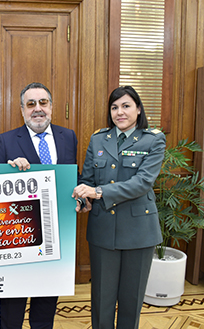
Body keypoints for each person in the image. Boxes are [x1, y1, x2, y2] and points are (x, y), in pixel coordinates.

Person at [72, 86, 166, 329]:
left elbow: (142, 182)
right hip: (103, 230)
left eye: (126, 106)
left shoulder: (153, 139)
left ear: (138, 109)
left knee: (131, 300)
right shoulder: (98, 139)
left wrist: (99, 192)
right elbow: (88, 180)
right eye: (114, 107)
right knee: (101, 300)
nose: (119, 112)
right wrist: (84, 199)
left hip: (139, 232)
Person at [0, 82, 79, 329]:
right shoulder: (6, 140)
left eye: (43, 103)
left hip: (56, 234)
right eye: (31, 104)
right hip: (16, 236)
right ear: (22, 110)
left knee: (46, 301)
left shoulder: (68, 136)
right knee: (12, 304)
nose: (37, 109)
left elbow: (75, 178)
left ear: (51, 107)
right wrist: (9, 170)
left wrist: (82, 198)